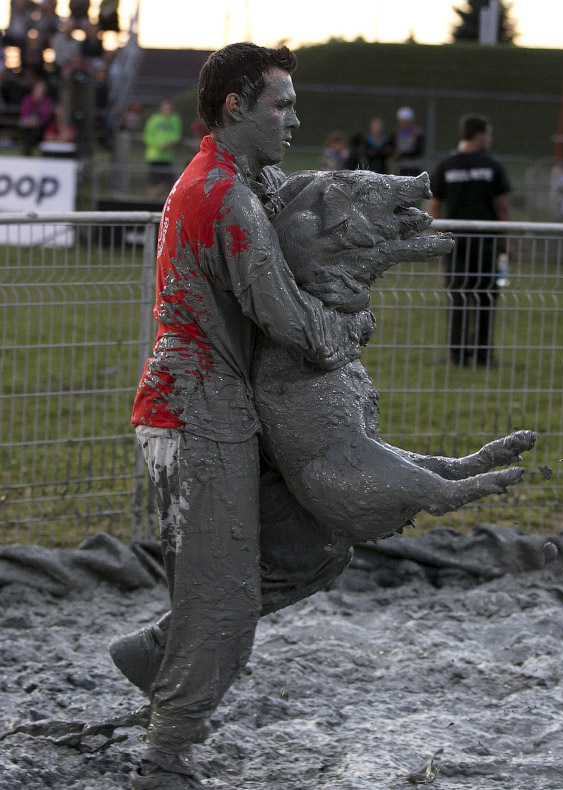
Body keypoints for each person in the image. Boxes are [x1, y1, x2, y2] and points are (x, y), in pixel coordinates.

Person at [116, 42, 373, 789]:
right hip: (195, 411)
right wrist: (351, 329)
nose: (295, 118)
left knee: (315, 545)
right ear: (236, 106)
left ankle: (161, 650)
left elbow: (315, 222)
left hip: (225, 407)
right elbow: (290, 320)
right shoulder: (222, 196)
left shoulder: (250, 182)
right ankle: (167, 751)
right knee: (223, 597)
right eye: (282, 104)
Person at [429, 114, 511, 368]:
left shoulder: (446, 166)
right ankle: (483, 355)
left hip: (454, 242)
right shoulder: (492, 166)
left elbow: (434, 204)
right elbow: (502, 207)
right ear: (478, 135)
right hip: (487, 242)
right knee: (486, 295)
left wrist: (433, 238)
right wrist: (506, 241)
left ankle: (457, 356)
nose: (490, 139)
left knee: (459, 296)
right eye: (488, 134)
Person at [143, 98, 182, 198]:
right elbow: (147, 136)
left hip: (167, 157)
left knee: (170, 184)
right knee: (153, 183)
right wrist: (158, 145)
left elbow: (176, 135)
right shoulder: (154, 119)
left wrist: (169, 143)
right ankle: (151, 202)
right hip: (154, 156)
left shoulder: (175, 119)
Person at [18, 80, 54, 156]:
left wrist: (37, 122)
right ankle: (28, 149)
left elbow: (46, 116)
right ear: (34, 89)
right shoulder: (28, 99)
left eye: (41, 90)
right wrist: (29, 121)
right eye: (38, 89)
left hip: (40, 125)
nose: (40, 91)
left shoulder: (46, 101)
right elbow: (24, 113)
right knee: (25, 128)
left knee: (36, 130)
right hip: (28, 123)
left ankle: (27, 149)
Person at [391, 105, 424, 176]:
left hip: (414, 167)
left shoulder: (417, 133)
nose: (403, 123)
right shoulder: (396, 132)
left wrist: (402, 154)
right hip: (401, 167)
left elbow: (418, 150)